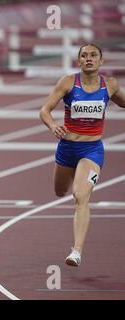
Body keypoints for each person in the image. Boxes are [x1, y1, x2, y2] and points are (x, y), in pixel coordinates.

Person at [40, 43, 125, 267]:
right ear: (79, 61)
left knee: (81, 196)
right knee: (60, 191)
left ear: (101, 61)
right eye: (84, 56)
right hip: (67, 148)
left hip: (92, 150)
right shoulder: (68, 82)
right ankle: (70, 182)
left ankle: (76, 252)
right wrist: (53, 126)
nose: (89, 59)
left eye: (93, 55)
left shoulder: (110, 85)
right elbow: (44, 110)